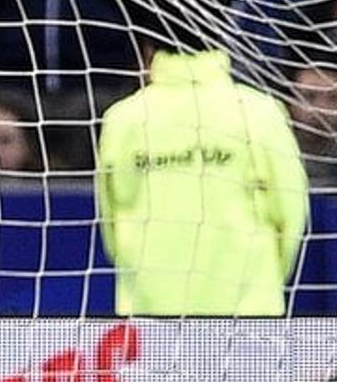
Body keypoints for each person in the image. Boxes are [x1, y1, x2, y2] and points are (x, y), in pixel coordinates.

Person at [96, 42, 308, 316]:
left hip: (148, 309)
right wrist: (266, 281)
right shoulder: (259, 112)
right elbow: (289, 211)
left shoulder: (123, 118)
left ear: (148, 50)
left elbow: (112, 218)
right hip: (249, 310)